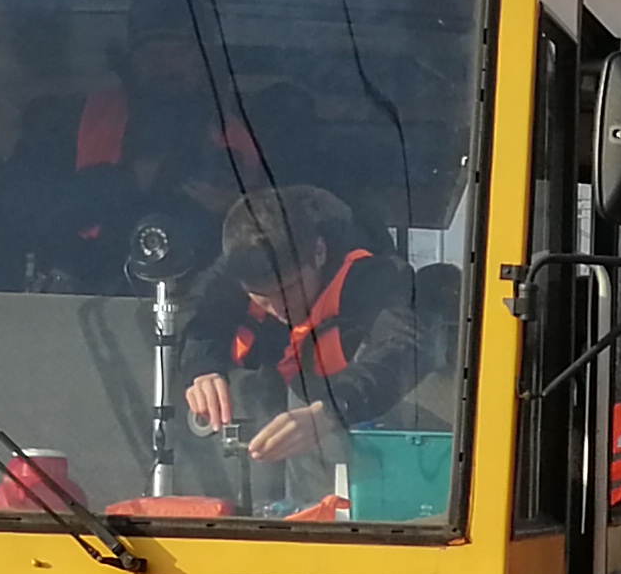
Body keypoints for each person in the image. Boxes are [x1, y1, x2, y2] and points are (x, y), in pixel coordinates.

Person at [178, 185, 440, 505]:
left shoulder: (375, 278)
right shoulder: (239, 267)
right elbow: (200, 317)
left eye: (290, 288)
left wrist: (329, 410)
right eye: (262, 297)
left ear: (319, 252)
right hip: (262, 462)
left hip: (370, 461)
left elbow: (404, 346)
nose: (279, 307)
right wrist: (202, 368)